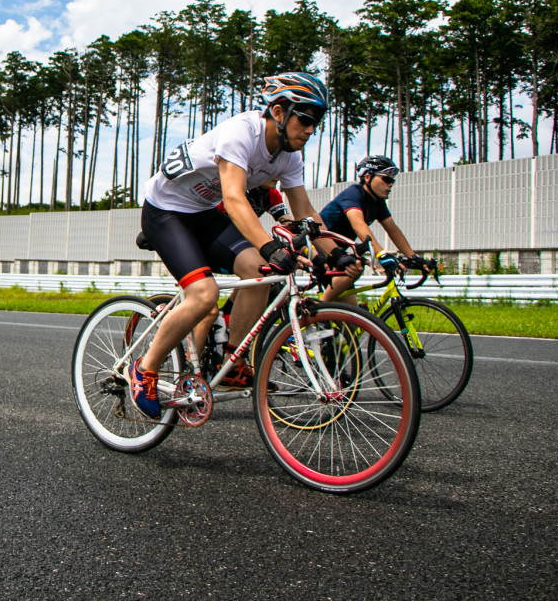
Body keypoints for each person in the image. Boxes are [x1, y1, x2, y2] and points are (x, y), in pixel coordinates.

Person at [130, 72, 361, 418]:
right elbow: (235, 199)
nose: (311, 130)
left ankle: (233, 360)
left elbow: (305, 212)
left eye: (317, 123)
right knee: (205, 296)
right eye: (307, 120)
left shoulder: (288, 156)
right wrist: (271, 246)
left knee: (257, 271)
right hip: (166, 212)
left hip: (203, 212)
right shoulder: (243, 132)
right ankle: (144, 369)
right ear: (280, 112)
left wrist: (337, 254)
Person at [319, 155, 435, 302]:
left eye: (392, 181)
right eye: (386, 179)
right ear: (367, 177)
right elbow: (359, 225)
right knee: (356, 267)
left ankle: (323, 314)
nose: (391, 184)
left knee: (352, 318)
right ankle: (316, 314)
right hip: (319, 248)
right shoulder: (353, 195)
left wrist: (413, 258)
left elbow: (393, 230)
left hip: (338, 253)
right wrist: (382, 255)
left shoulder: (377, 203)